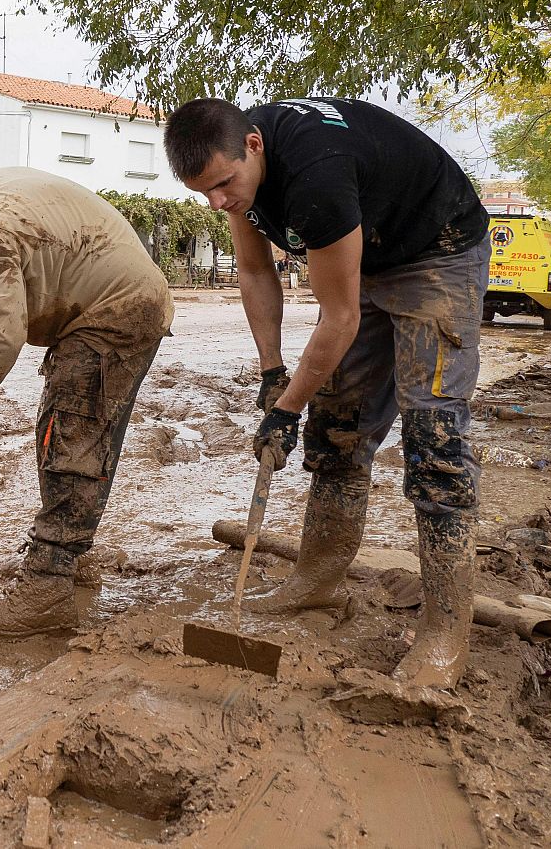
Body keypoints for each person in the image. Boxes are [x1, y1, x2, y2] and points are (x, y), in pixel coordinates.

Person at [164, 97, 490, 691]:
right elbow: (256, 271)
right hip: (365, 256)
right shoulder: (238, 171)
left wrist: (285, 412)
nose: (216, 201)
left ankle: (446, 631)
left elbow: (337, 318)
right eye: (202, 193)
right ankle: (317, 575)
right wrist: (272, 374)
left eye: (222, 185)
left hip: (437, 250)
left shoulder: (317, 173)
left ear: (254, 145)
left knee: (434, 440)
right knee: (338, 423)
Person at [0, 148, 174, 638]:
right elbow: (42, 274)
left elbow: (3, 339)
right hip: (119, 303)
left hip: (112, 314)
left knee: (71, 441)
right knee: (68, 433)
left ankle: (48, 589)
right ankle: (67, 555)